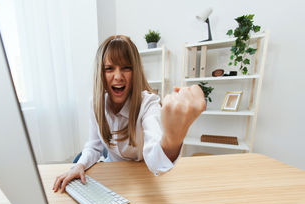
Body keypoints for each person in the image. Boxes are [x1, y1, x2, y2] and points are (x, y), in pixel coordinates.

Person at [53, 35, 205, 193]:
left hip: (142, 179)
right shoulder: (95, 103)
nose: (118, 77)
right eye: (109, 68)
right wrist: (79, 165)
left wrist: (172, 139)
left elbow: (155, 162)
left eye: (126, 68)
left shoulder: (148, 104)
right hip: (113, 174)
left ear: (136, 71)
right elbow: (94, 146)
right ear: (101, 74)